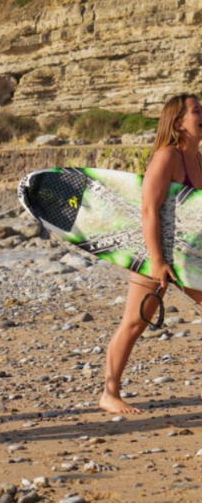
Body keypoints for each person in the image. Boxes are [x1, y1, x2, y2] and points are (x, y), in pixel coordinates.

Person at [99, 93, 202, 415]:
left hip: (187, 254)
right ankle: (109, 393)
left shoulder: (197, 158)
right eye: (197, 111)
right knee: (135, 322)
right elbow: (148, 210)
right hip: (154, 251)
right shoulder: (166, 157)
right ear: (178, 122)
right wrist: (157, 261)